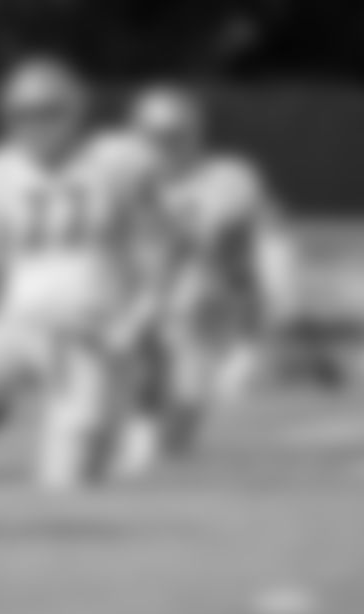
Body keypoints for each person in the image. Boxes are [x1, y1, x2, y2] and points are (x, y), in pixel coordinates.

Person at [0, 58, 171, 491]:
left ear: (75, 110)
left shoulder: (119, 161)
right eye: (22, 112)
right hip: (17, 324)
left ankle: (100, 434)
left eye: (47, 110)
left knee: (69, 478)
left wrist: (139, 320)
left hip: (95, 332)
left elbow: (160, 247)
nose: (34, 123)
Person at [128, 86, 299, 453]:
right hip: (137, 290)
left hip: (202, 298)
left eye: (174, 136)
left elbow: (255, 238)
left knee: (176, 434)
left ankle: (164, 415)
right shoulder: (117, 177)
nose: (165, 146)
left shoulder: (227, 178)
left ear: (193, 134)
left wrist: (273, 298)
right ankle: (140, 414)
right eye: (156, 136)